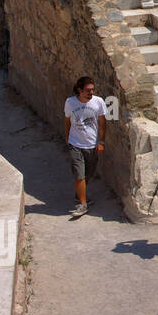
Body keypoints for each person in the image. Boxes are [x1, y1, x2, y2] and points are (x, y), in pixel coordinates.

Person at [63, 76, 107, 216]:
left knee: (89, 173)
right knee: (79, 174)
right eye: (88, 90)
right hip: (75, 143)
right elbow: (67, 120)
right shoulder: (70, 102)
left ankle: (79, 194)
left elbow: (102, 123)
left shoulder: (98, 102)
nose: (91, 93)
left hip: (92, 145)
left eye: (93, 90)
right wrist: (67, 137)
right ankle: (82, 204)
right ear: (79, 90)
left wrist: (101, 142)